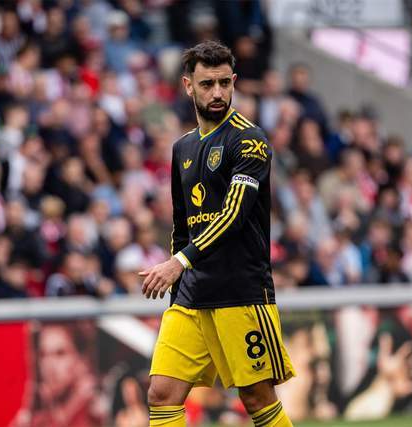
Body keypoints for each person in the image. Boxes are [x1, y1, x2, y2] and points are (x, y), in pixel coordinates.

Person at [139, 40, 295, 427]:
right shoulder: (183, 148)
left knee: (257, 397)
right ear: (188, 86)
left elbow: (234, 215)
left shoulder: (250, 141)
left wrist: (178, 263)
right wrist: (178, 288)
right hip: (192, 295)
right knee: (161, 393)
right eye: (208, 84)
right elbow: (182, 225)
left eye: (225, 83)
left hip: (239, 291)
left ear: (234, 81)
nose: (218, 93)